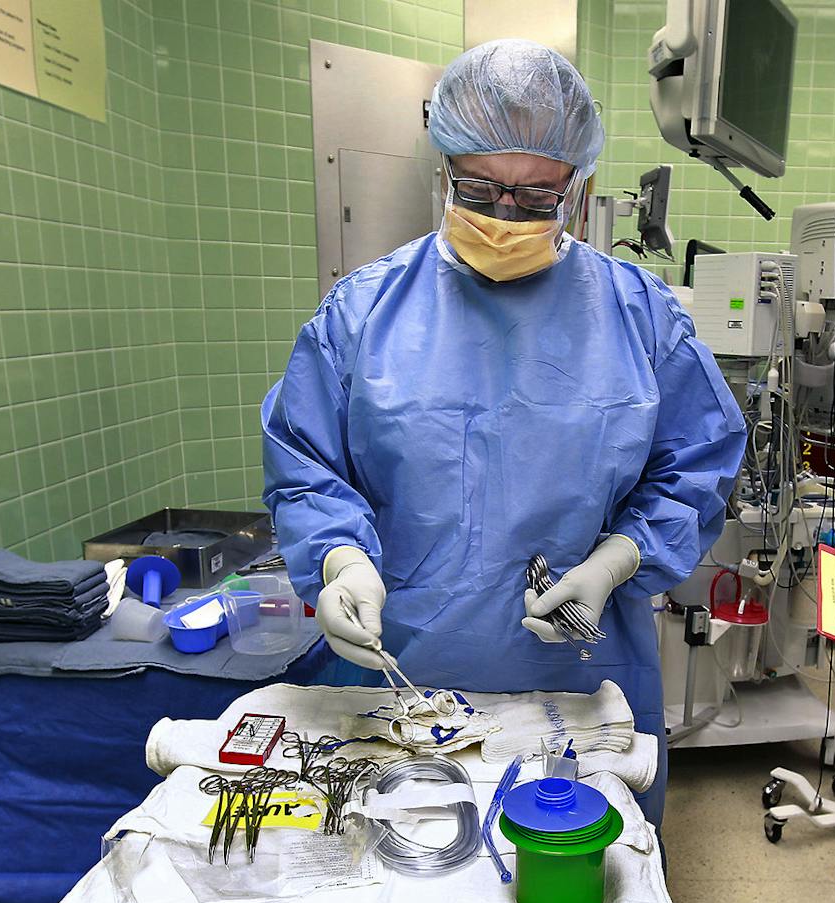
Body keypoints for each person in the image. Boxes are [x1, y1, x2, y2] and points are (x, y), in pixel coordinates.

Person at [261, 39, 746, 829]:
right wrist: (341, 558)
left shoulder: (638, 317)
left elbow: (698, 464)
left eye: (535, 197)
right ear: (444, 169)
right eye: (482, 191)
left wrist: (619, 557)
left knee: (572, 900)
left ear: (576, 190)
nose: (506, 216)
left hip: (583, 677)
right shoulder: (362, 315)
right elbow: (309, 464)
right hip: (400, 684)